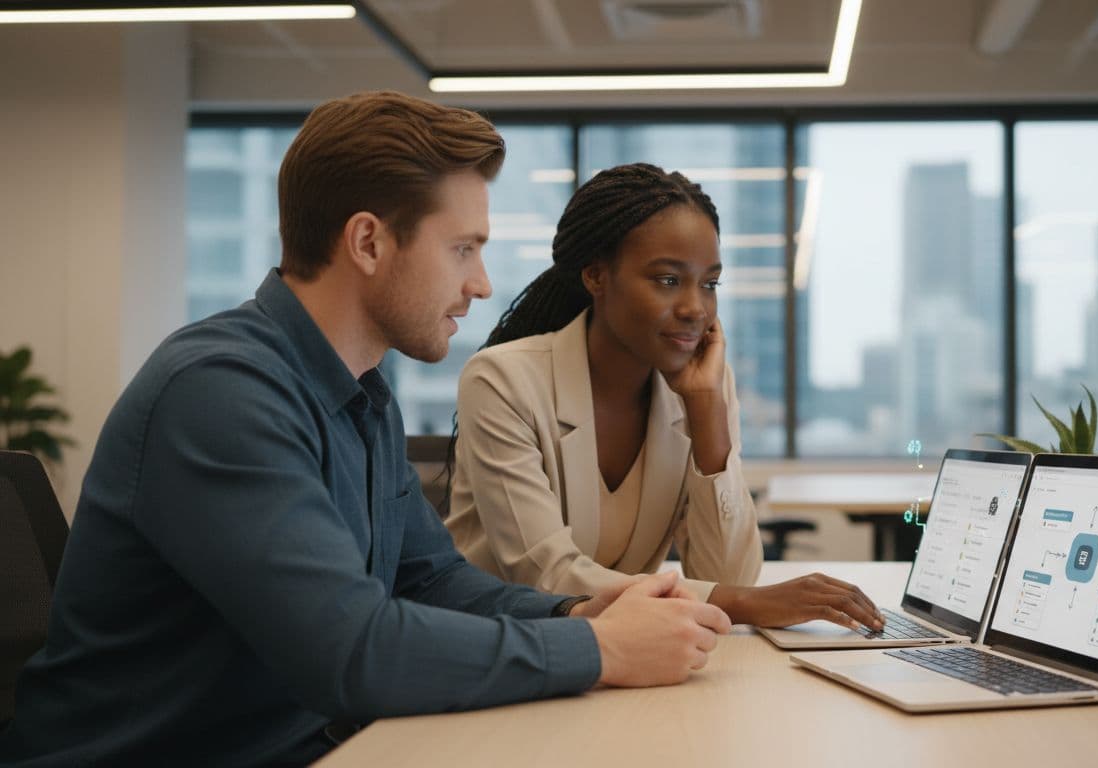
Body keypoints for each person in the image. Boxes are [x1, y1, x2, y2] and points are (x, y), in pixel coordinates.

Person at [0, 94, 730, 768]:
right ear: (369, 243)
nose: (480, 284)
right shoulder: (220, 394)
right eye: (462, 249)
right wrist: (598, 648)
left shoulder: (362, 394)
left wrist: (579, 608)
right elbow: (351, 653)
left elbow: (430, 579)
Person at [446, 163, 884, 632]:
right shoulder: (502, 380)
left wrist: (708, 417)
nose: (696, 307)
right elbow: (547, 577)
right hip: (500, 649)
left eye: (710, 283)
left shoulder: (703, 387)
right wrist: (749, 603)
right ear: (596, 276)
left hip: (618, 652)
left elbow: (727, 579)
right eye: (668, 280)